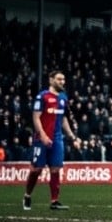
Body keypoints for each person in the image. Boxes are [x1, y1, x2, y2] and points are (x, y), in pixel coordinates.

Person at [25, 70, 78, 211]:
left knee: (55, 169)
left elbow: (64, 119)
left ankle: (54, 201)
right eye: (59, 79)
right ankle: (27, 195)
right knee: (36, 169)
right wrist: (42, 135)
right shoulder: (42, 97)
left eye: (64, 79)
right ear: (51, 80)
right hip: (40, 139)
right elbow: (36, 117)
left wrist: (72, 137)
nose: (62, 82)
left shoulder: (63, 98)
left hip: (57, 139)